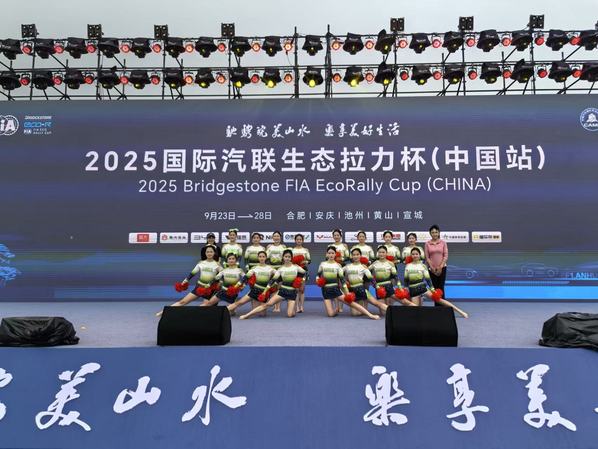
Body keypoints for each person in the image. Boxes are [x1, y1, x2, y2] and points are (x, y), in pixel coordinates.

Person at [316, 246, 380, 319]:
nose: (331, 255)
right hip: (325, 290)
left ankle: (370, 315)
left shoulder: (338, 266)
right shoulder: (322, 264)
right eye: (329, 253)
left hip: (335, 290)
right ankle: (337, 309)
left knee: (351, 303)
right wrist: (317, 280)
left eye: (332, 253)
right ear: (326, 254)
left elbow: (342, 280)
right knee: (330, 314)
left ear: (335, 254)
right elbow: (318, 275)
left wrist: (347, 293)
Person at [157, 245, 221, 316]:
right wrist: (186, 279)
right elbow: (193, 272)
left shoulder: (217, 264)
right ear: (205, 253)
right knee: (182, 302)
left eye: (211, 252)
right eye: (207, 252)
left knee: (206, 305)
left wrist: (215, 282)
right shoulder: (201, 263)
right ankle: (164, 312)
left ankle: (190, 315)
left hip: (209, 289)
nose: (209, 253)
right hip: (199, 287)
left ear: (214, 253)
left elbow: (221, 275)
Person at [240, 249, 304, 319]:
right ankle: (247, 315)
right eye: (286, 256)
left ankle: (292, 305)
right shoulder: (280, 269)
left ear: (291, 258)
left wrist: (300, 281)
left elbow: (305, 274)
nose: (287, 258)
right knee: (267, 304)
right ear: (283, 257)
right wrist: (265, 291)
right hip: (282, 291)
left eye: (289, 257)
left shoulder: (296, 267)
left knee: (290, 314)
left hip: (292, 292)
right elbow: (272, 281)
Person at [404, 247, 468, 318]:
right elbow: (406, 280)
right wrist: (406, 290)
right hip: (413, 290)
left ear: (419, 255)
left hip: (422, 288)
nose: (415, 255)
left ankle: (460, 311)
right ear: (411, 255)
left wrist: (432, 290)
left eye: (416, 254)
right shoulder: (408, 266)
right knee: (415, 312)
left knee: (439, 300)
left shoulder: (423, 266)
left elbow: (428, 279)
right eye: (413, 254)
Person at [227, 251, 275, 316]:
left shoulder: (271, 268)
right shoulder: (254, 268)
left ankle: (255, 302)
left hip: (264, 292)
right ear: (258, 258)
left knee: (262, 314)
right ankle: (222, 311)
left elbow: (278, 277)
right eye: (260, 256)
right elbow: (245, 278)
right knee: (239, 302)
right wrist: (236, 286)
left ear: (266, 258)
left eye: (263, 256)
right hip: (255, 290)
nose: (261, 258)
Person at [343, 248, 388, 316]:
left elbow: (371, 278)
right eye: (354, 255)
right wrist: (344, 280)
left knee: (376, 303)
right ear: (351, 256)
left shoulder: (363, 267)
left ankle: (393, 311)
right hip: (352, 291)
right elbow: (338, 273)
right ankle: (363, 308)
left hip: (362, 290)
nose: (355, 256)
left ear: (360, 255)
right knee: (355, 314)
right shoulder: (347, 266)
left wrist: (377, 287)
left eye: (357, 254)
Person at [424, 224, 448, 306]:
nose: (434, 234)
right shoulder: (427, 243)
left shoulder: (443, 243)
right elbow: (427, 257)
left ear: (439, 233)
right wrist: (432, 267)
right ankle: (437, 307)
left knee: (441, 287)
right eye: (432, 232)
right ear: (430, 233)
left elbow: (445, 256)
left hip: (442, 268)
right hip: (431, 269)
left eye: (436, 232)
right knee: (434, 289)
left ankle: (444, 308)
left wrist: (440, 267)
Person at [330, 228, 350, 313]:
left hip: (342, 267)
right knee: (335, 286)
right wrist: (334, 259)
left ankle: (341, 306)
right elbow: (326, 257)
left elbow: (348, 257)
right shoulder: (330, 246)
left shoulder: (344, 246)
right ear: (333, 236)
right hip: (333, 268)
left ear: (341, 236)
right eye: (335, 235)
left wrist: (341, 259)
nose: (336, 237)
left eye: (338, 235)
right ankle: (336, 306)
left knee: (342, 286)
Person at [266, 231, 287, 312]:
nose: (276, 238)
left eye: (278, 236)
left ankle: (278, 307)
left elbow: (286, 258)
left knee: (279, 288)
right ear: (272, 238)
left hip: (280, 269)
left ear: (280, 238)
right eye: (275, 236)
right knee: (273, 288)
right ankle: (274, 306)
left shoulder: (283, 247)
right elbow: (266, 258)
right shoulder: (269, 247)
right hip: (272, 269)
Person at [292, 233, 311, 313]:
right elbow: (289, 260)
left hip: (303, 271)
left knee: (302, 290)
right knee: (296, 289)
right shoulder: (292, 250)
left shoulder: (305, 250)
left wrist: (305, 262)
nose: (299, 241)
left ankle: (302, 306)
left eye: (300, 239)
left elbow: (309, 261)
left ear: (302, 240)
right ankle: (296, 307)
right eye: (297, 239)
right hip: (295, 271)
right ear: (295, 240)